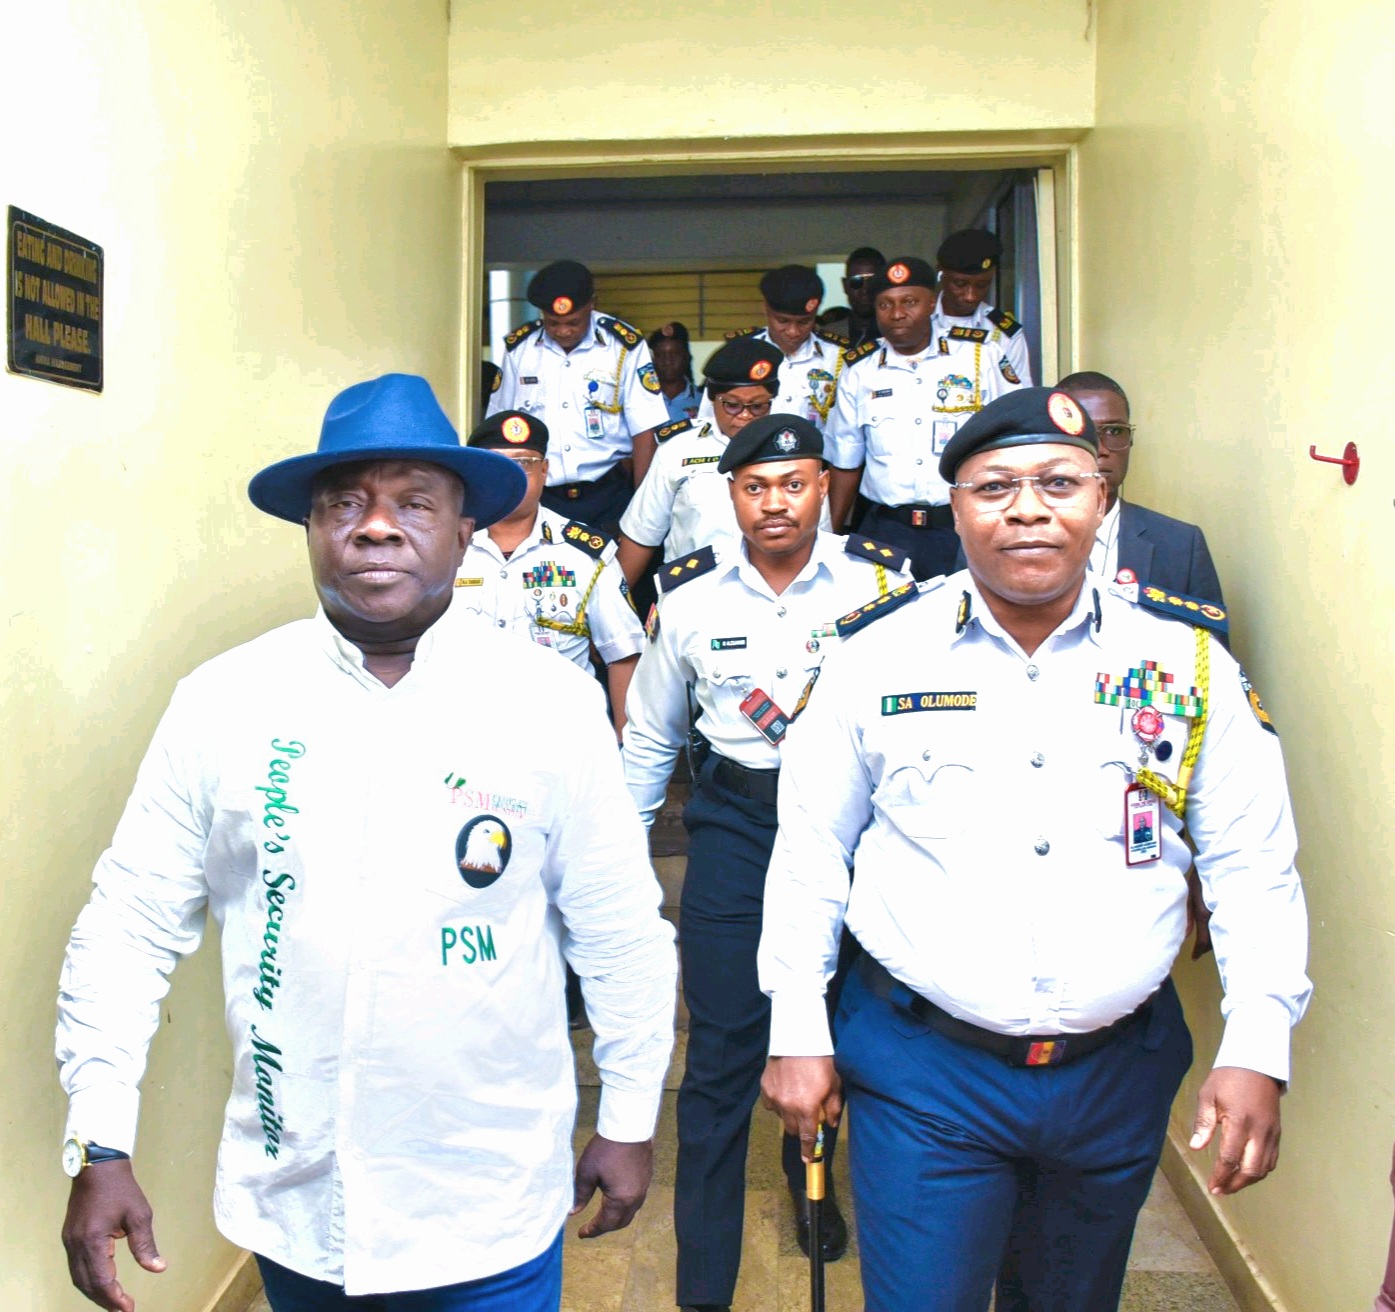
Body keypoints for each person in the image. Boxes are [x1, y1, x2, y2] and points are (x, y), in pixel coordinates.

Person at [56, 373, 677, 1312]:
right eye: (343, 503)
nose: (375, 526)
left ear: (465, 529)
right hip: (298, 1207)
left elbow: (620, 928)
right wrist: (100, 1137)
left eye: (413, 503)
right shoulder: (227, 701)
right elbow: (129, 923)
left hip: (487, 1205)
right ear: (311, 531)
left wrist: (629, 1115)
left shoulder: (545, 702)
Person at [758, 387, 1311, 1312]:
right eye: (993, 487)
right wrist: (796, 1028)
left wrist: (1257, 1041)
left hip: (1115, 1075)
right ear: (954, 508)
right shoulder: (874, 659)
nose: (1026, 509)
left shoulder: (1187, 663)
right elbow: (810, 853)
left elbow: (1251, 864)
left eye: (1058, 482)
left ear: (1102, 498)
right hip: (923, 1071)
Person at [623, 413, 911, 1312]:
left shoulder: (885, 589)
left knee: (838, 1033)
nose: (775, 501)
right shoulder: (691, 600)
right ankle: (702, 1284)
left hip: (862, 842)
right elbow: (650, 736)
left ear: (824, 485)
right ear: (731, 496)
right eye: (756, 486)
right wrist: (629, 860)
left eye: (794, 482)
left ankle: (808, 1183)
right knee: (718, 1060)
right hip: (737, 833)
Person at [449, 409, 644, 740]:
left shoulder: (586, 553)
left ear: (544, 470)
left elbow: (623, 655)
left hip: (563, 740)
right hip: (464, 737)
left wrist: (623, 749)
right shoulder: (444, 545)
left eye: (524, 463)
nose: (511, 475)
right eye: (498, 464)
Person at [825, 255, 1023, 577]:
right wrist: (830, 536)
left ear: (932, 303)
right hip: (885, 530)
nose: (897, 314)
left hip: (963, 526)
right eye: (885, 305)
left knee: (962, 618)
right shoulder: (859, 370)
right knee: (884, 619)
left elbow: (1012, 444)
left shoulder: (980, 356)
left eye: (910, 302)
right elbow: (845, 460)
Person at [488, 259, 669, 530]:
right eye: (553, 323)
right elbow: (502, 429)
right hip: (541, 496)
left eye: (573, 322)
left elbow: (644, 428)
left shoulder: (624, 347)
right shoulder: (520, 351)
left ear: (592, 304)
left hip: (609, 494)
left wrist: (643, 506)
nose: (563, 331)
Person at [614, 336, 784, 584]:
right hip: (693, 595)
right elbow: (641, 535)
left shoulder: (793, 452)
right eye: (733, 406)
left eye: (758, 406)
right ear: (714, 399)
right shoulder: (678, 450)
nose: (745, 416)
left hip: (774, 594)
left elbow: (819, 540)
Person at [1055, 370, 1224, 604]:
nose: (1101, 449)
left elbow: (1206, 640)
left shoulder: (1180, 545)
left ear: (1130, 440)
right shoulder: (1018, 537)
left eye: (1115, 431)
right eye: (1084, 433)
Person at [727, 266, 850, 432]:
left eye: (804, 322)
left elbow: (846, 430)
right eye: (783, 321)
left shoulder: (837, 358)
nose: (793, 332)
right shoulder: (737, 353)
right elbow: (711, 419)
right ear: (765, 308)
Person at [933, 228, 1033, 386]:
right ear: (941, 272)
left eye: (982, 285)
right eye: (960, 284)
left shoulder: (1004, 333)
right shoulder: (918, 320)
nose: (970, 296)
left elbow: (1020, 396)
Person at [819, 247, 885, 350]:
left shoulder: (901, 333)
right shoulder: (824, 338)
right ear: (845, 286)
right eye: (856, 282)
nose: (865, 290)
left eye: (872, 281)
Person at [649, 322, 702, 426]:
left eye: (674, 354)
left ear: (686, 357)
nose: (667, 361)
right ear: (652, 359)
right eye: (660, 355)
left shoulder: (703, 399)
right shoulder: (641, 399)